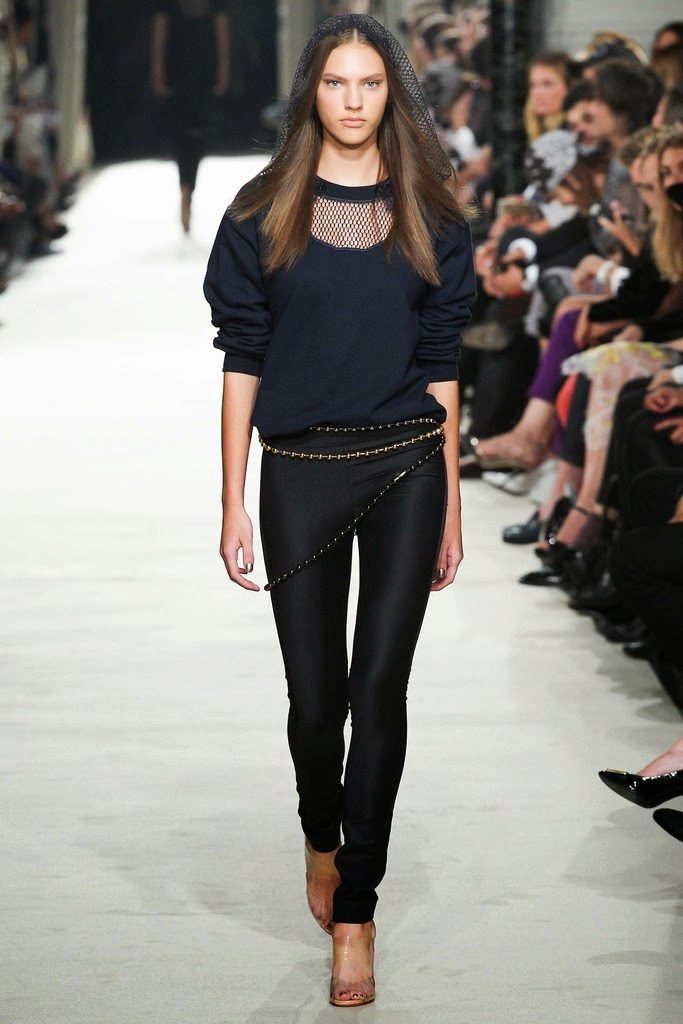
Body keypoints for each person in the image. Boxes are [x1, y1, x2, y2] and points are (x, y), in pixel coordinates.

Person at [202, 12, 476, 1008]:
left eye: (368, 84)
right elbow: (242, 356)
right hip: (300, 468)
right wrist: (230, 498)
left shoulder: (430, 213)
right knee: (316, 704)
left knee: (379, 690)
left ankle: (356, 909)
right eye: (334, 83)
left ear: (389, 93)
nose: (352, 101)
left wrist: (451, 505)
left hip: (407, 464)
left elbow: (441, 365)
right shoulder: (259, 212)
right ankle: (321, 831)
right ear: (309, 93)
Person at [150, 0, 231, 234]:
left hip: (191, 68)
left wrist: (224, 68)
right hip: (191, 67)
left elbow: (220, 27)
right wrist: (224, 68)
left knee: (189, 132)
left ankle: (186, 187)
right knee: (190, 132)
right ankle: (187, 187)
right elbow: (161, 26)